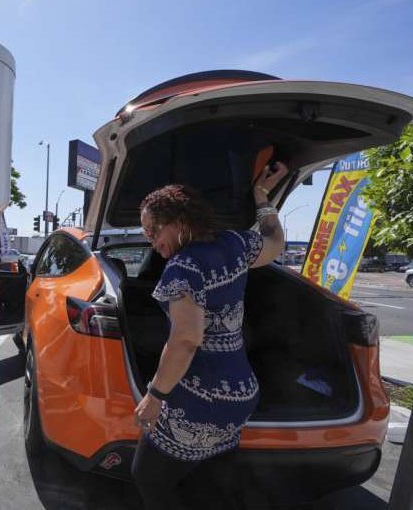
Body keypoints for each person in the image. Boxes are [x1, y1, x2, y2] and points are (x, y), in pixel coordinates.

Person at [130, 162, 289, 509]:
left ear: (178, 221)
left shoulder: (183, 268)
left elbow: (187, 339)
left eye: (152, 230)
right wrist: (262, 198)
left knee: (148, 476)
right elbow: (276, 243)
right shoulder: (235, 243)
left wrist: (155, 396)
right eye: (146, 234)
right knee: (207, 484)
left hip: (201, 398)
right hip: (241, 395)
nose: (151, 241)